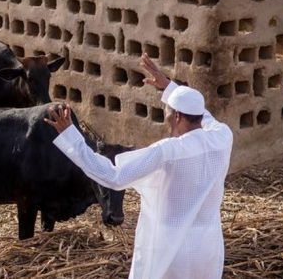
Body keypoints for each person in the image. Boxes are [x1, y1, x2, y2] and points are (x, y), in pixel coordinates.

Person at [44, 53, 233, 279]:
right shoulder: (222, 137)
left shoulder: (168, 152)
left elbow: (112, 176)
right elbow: (204, 116)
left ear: (178, 116)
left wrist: (71, 137)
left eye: (168, 113)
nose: (167, 119)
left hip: (170, 256)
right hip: (207, 251)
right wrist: (169, 88)